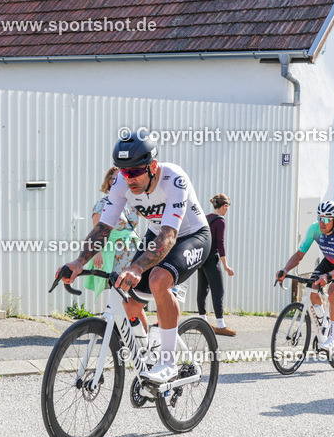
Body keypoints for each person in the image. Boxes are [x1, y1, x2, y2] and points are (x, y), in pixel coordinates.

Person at [60, 135, 211, 384]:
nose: (129, 179)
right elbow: (103, 228)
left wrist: (137, 267)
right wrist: (79, 262)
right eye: (124, 172)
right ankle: (149, 355)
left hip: (190, 235)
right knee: (129, 301)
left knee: (158, 278)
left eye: (136, 172)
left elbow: (169, 235)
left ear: (153, 166)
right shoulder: (122, 182)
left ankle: (168, 362)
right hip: (156, 234)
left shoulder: (174, 178)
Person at [276, 201, 334, 352]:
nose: (322, 222)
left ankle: (332, 338)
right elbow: (299, 255)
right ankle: (324, 322)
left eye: (327, 219)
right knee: (311, 287)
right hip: (330, 260)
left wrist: (328, 277)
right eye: (320, 218)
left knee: (333, 292)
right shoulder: (314, 229)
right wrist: (285, 269)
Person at [84, 167, 139, 299]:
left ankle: (132, 318)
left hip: (133, 251)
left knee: (134, 291)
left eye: (125, 179)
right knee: (119, 287)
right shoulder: (103, 204)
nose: (122, 182)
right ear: (110, 182)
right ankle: (115, 316)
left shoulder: (132, 204)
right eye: (117, 179)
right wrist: (96, 253)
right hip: (115, 252)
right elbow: (96, 231)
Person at [197, 194, 236, 336]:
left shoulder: (206, 218)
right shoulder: (220, 221)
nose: (227, 211)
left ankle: (202, 320)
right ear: (224, 206)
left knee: (202, 289)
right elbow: (220, 244)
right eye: (227, 208)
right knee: (218, 290)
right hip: (212, 258)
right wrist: (226, 265)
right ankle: (220, 324)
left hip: (201, 257)